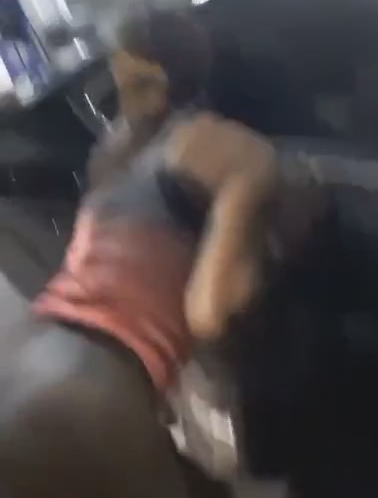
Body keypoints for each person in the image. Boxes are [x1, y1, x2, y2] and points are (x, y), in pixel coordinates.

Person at [0, 112, 316, 497]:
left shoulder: (143, 164)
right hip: (90, 363)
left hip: (78, 356)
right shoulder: (146, 165)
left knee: (213, 317)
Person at [88, 0, 211, 188]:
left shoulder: (196, 149)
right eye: (121, 88)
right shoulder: (119, 139)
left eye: (140, 86)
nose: (127, 105)